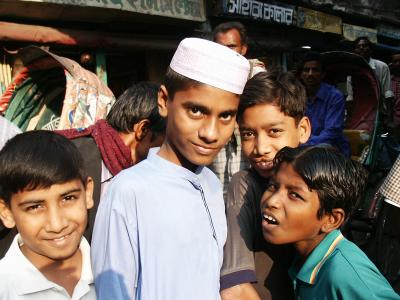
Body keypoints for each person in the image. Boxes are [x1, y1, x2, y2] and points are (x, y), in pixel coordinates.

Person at [91, 37, 250, 300]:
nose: (211, 133)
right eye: (196, 111)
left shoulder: (209, 182)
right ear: (164, 101)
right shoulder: (129, 190)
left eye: (225, 116)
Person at [260, 146, 399, 299]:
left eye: (294, 195)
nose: (272, 201)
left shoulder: (343, 274)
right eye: (273, 186)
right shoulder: (300, 256)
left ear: (332, 219)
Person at [220, 71, 311, 300]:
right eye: (248, 134)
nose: (260, 148)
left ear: (302, 130)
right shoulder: (246, 185)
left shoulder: (320, 181)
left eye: (274, 132)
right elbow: (235, 288)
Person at [58, 82, 165, 242]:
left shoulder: (139, 177)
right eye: (168, 141)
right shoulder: (67, 158)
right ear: (142, 130)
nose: (169, 151)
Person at [0, 130, 96, 299]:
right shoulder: (5, 288)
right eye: (35, 207)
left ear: (87, 193)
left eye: (68, 198)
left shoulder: (116, 268)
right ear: (6, 212)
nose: (57, 224)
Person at [211, 21, 266, 198]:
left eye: (231, 46)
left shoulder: (255, 74)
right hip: (219, 139)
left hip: (245, 139)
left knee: (244, 187)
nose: (226, 52)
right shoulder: (210, 74)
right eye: (220, 47)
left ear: (243, 49)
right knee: (219, 186)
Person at [298, 51, 350, 157]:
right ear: (301, 74)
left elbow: (331, 132)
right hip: (303, 146)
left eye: (315, 70)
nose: (310, 74)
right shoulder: (297, 95)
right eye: (306, 70)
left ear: (323, 74)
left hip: (331, 148)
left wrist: (305, 144)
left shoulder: (335, 96)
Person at [347, 36, 394, 132]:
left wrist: (389, 118)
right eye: (358, 46)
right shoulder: (351, 69)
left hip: (377, 111)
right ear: (354, 50)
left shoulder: (382, 66)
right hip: (359, 112)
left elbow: (388, 94)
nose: (361, 48)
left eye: (364, 46)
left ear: (371, 50)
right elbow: (350, 97)